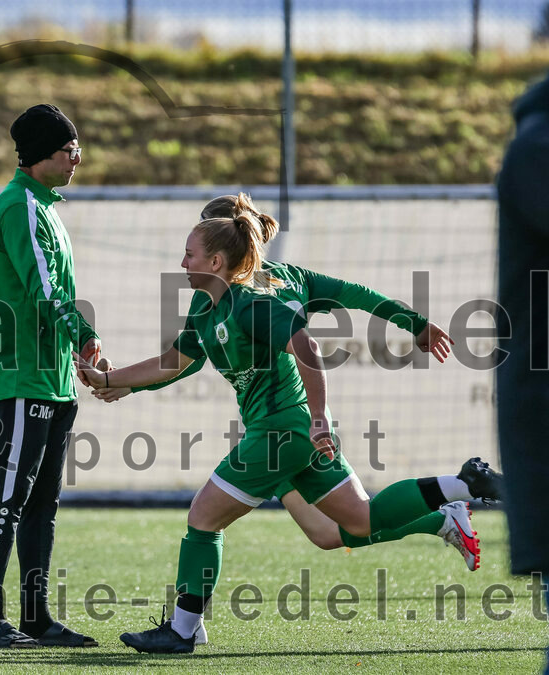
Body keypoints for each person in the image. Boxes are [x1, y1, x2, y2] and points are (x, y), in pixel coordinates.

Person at [75, 208, 503, 654]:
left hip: (283, 430)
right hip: (289, 431)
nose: (182, 263)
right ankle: (463, 483)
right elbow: (176, 361)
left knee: (203, 517)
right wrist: (111, 380)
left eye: (189, 253)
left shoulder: (250, 301)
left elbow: (306, 344)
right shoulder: (208, 304)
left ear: (220, 257)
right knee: (356, 522)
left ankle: (183, 629)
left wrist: (319, 416)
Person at [0, 104, 101, 648]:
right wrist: (86, 337)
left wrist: (74, 353)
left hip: (51, 379)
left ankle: (34, 618)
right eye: (72, 150)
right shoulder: (21, 206)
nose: (78, 160)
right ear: (45, 154)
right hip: (22, 377)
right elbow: (45, 293)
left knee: (41, 502)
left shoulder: (45, 208)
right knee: (9, 494)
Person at [496, 72, 549, 673]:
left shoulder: (263, 298)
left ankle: (456, 493)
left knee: (341, 527)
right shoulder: (539, 149)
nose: (185, 262)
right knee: (341, 528)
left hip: (287, 429)